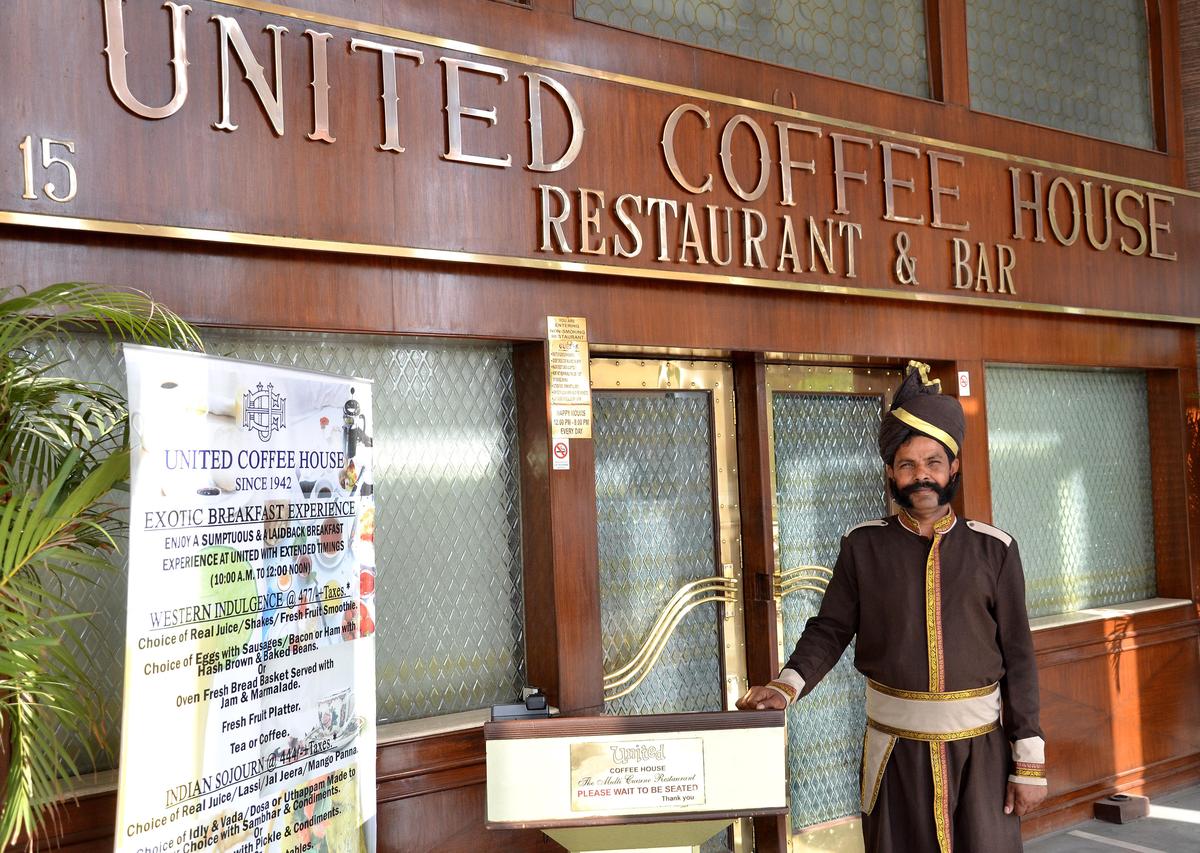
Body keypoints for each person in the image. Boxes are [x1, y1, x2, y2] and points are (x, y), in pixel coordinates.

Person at [737, 361, 1046, 852]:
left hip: (982, 754)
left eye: (933, 463)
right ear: (890, 471)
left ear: (954, 468)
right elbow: (830, 628)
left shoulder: (996, 549)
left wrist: (1028, 761)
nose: (921, 476)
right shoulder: (863, 546)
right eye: (907, 464)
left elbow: (1020, 659)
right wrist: (786, 686)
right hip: (895, 752)